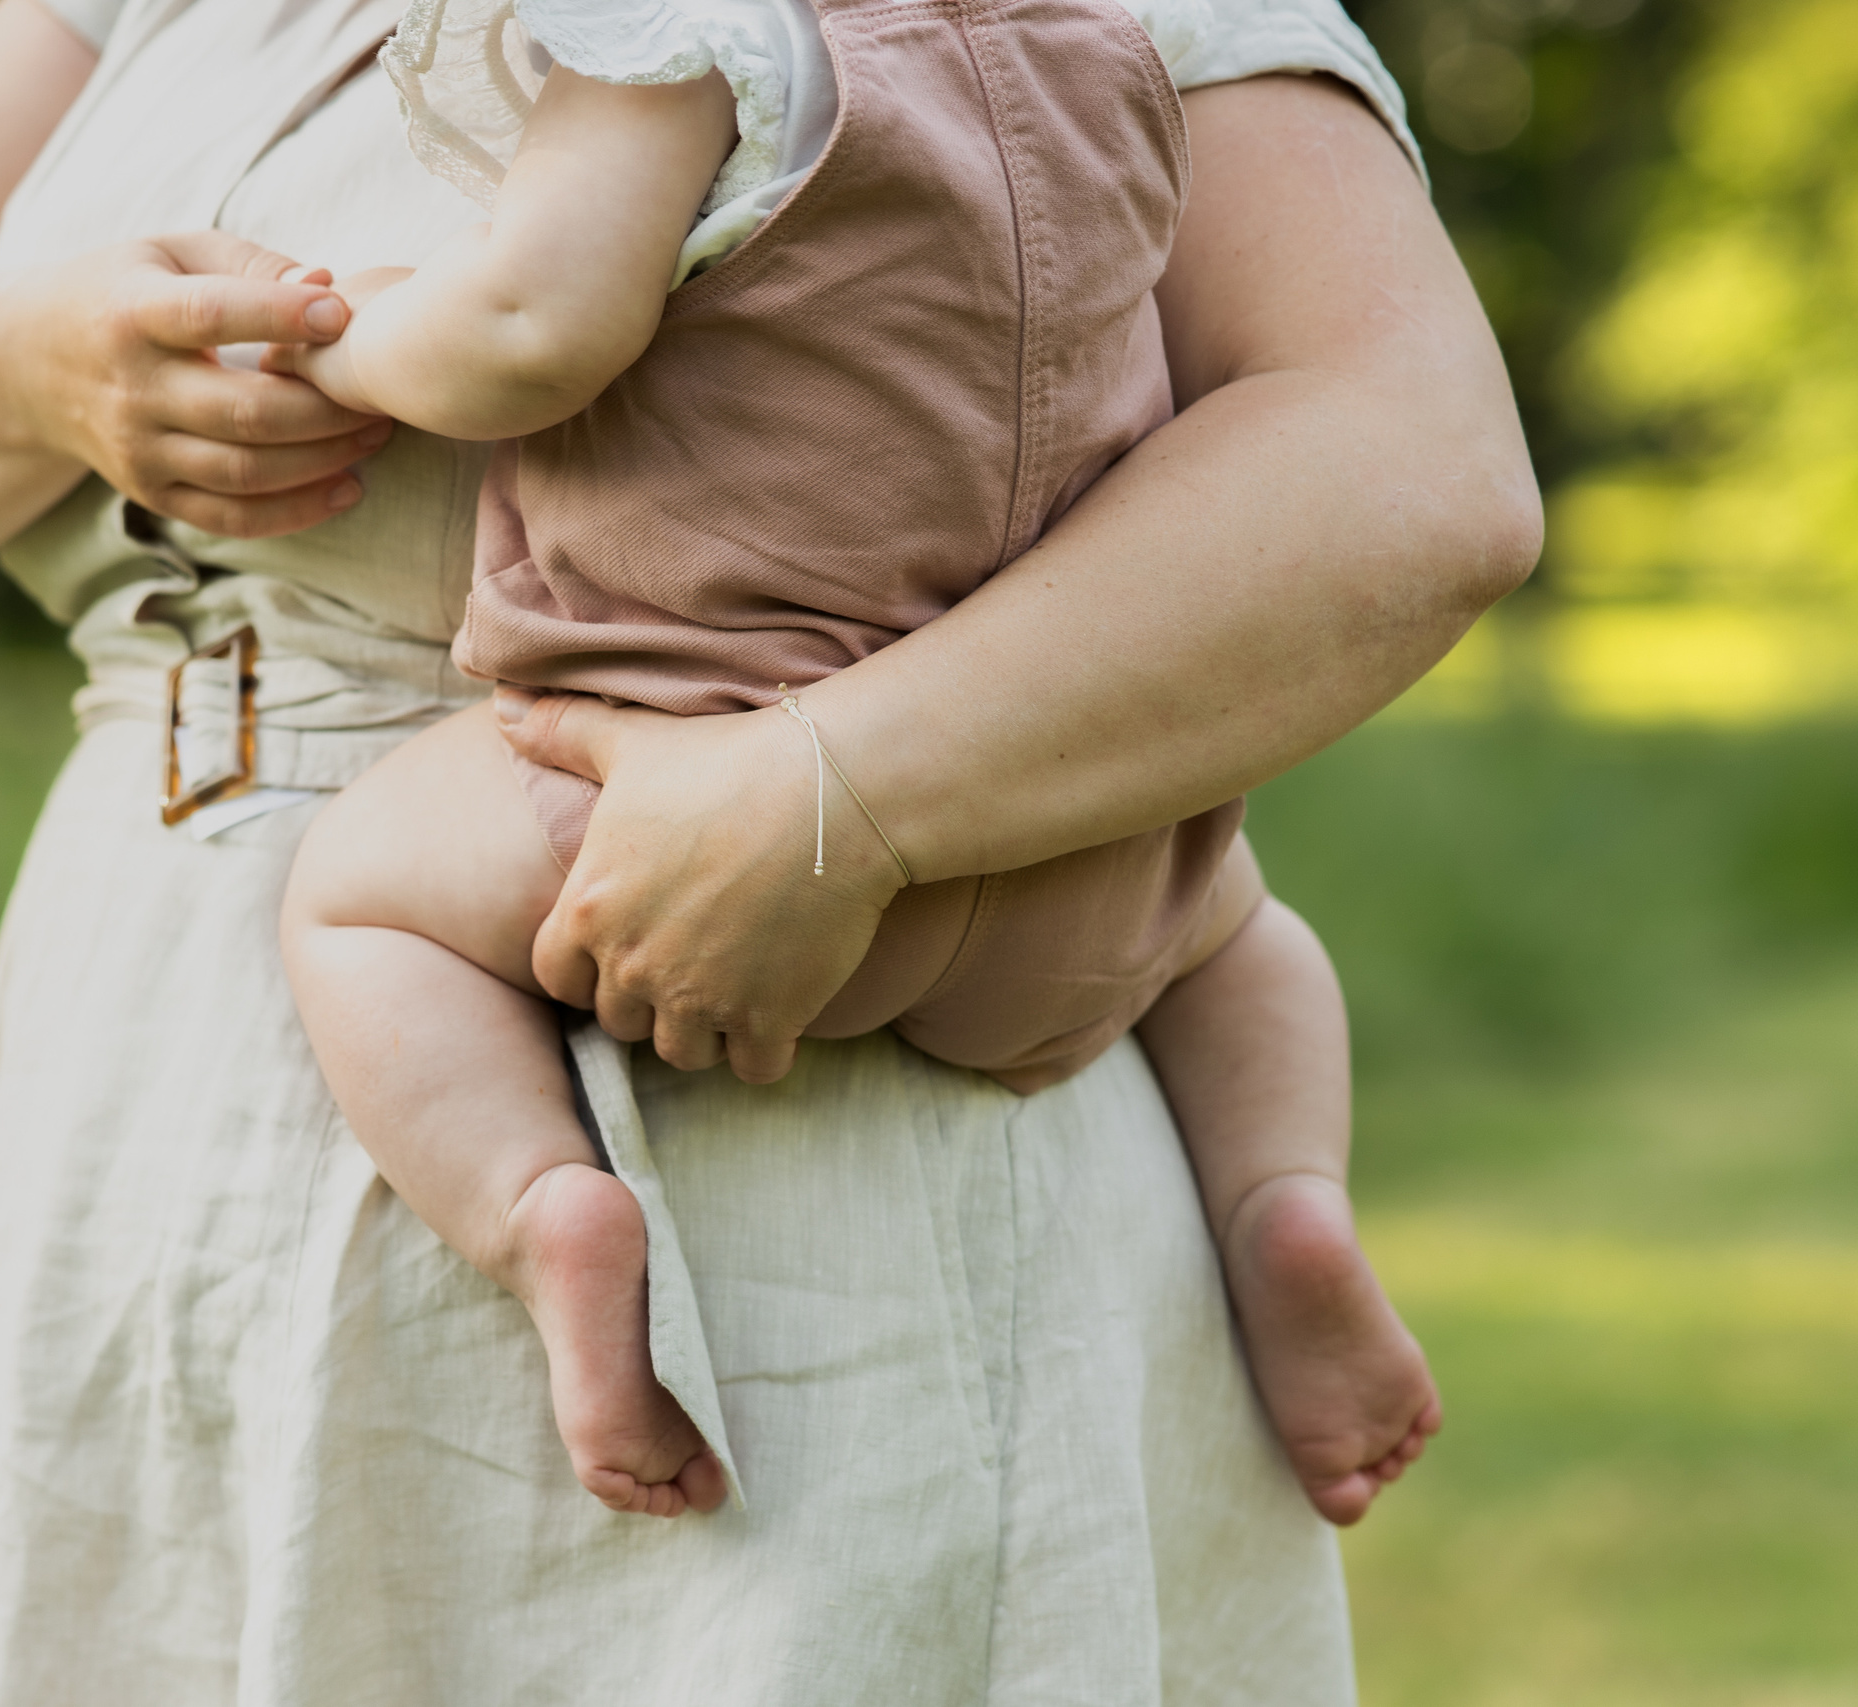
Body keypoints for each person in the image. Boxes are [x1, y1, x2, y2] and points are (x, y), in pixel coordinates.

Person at [0, 0, 1540, 1692]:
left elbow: (1413, 458)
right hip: (132, 1055)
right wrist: (35, 360)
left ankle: (567, 1220)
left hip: (712, 1007)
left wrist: (839, 793)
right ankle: (1274, 1182)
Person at [269, 0, 1435, 1522]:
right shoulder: (1104, 47)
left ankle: (542, 1210)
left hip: (690, 796)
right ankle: (1285, 1197)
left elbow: (526, 329)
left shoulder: (692, 40)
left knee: (355, 898)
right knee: (1249, 940)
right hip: (1070, 846)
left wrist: (349, 346)